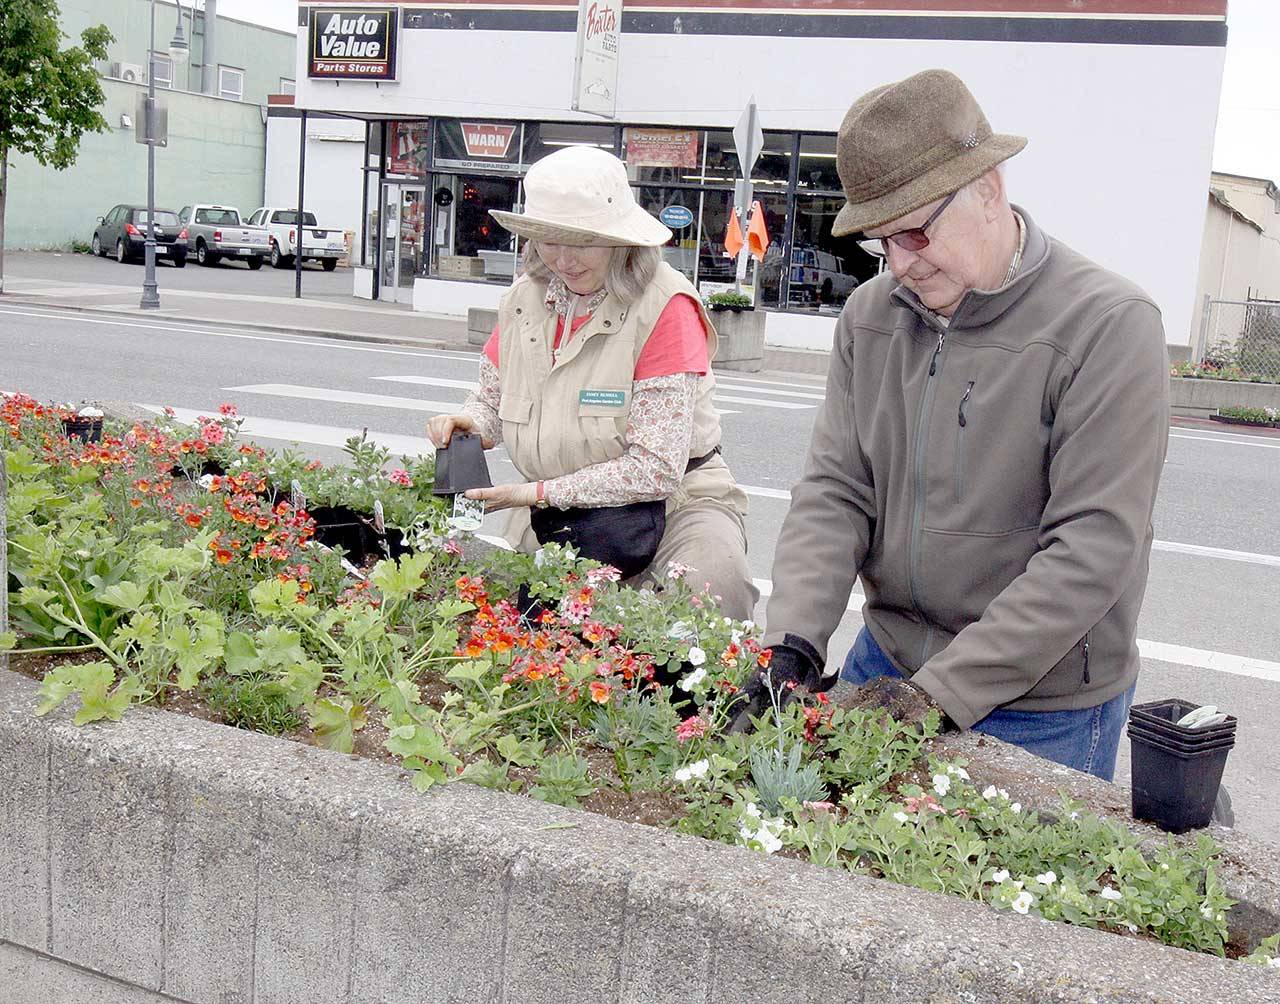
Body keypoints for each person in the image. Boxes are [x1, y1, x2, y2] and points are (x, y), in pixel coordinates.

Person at [734, 69, 1169, 781]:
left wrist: (935, 697)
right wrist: (793, 644)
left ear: (989, 189)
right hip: (890, 663)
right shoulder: (870, 318)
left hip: (1044, 703)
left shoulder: (1109, 327)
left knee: (994, 894)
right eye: (880, 242)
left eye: (916, 232)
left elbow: (1091, 549)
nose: (900, 265)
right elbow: (837, 491)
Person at [426, 145, 759, 621]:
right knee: (541, 642)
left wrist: (533, 495)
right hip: (564, 509)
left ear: (620, 238)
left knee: (714, 594)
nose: (563, 259)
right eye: (548, 239)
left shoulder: (665, 307)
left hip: (674, 503)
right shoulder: (523, 300)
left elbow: (655, 468)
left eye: (582, 241)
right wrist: (472, 422)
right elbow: (492, 399)